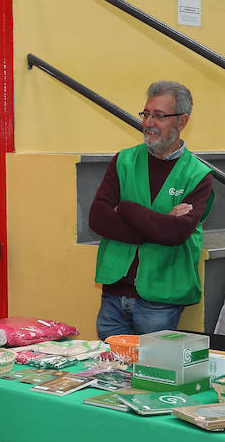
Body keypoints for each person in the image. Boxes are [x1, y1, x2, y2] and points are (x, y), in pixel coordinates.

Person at [88, 80, 214, 340]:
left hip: (161, 299)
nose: (148, 123)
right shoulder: (124, 160)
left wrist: (125, 208)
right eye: (146, 114)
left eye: (159, 116)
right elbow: (98, 219)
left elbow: (176, 233)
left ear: (182, 121)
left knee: (154, 377)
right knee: (108, 376)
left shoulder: (198, 175)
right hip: (113, 293)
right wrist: (159, 224)